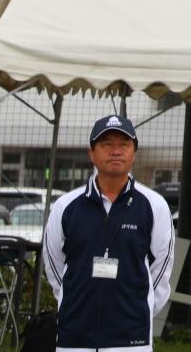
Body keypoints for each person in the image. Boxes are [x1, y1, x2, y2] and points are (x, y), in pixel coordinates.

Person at [42, 115, 174, 352]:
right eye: (106, 145)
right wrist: (71, 300)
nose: (116, 151)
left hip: (131, 340)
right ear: (91, 153)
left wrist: (138, 306)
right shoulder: (65, 205)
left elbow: (162, 270)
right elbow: (54, 265)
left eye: (123, 144)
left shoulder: (154, 205)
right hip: (74, 338)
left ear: (134, 153)